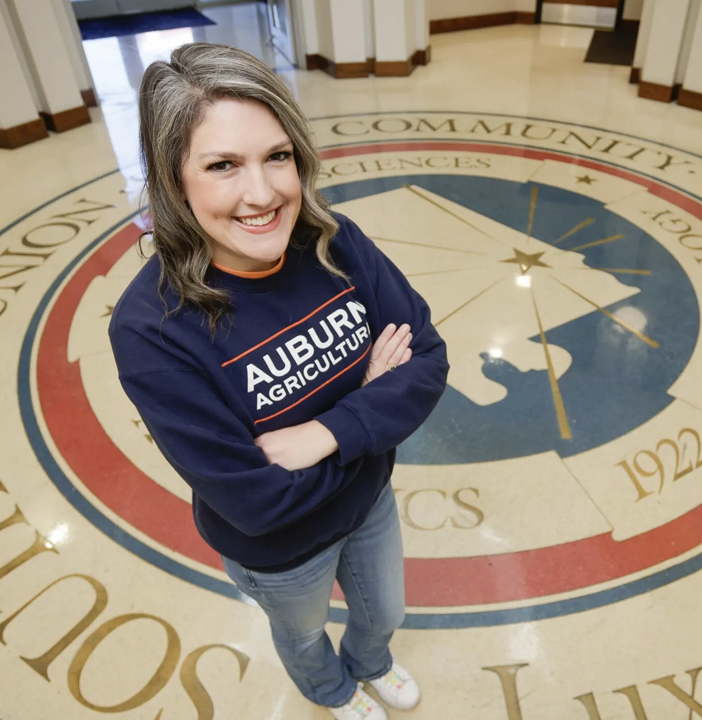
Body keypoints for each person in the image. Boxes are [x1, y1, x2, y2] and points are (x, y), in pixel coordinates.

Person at [108, 43, 449, 720]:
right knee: (300, 631)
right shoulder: (151, 327)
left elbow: (429, 360)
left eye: (278, 156)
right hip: (280, 552)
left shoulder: (336, 241)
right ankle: (331, 690)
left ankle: (372, 663)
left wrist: (323, 433)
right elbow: (256, 503)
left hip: (370, 503)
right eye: (223, 166)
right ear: (176, 183)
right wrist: (371, 415)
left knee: (387, 609)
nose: (263, 194)